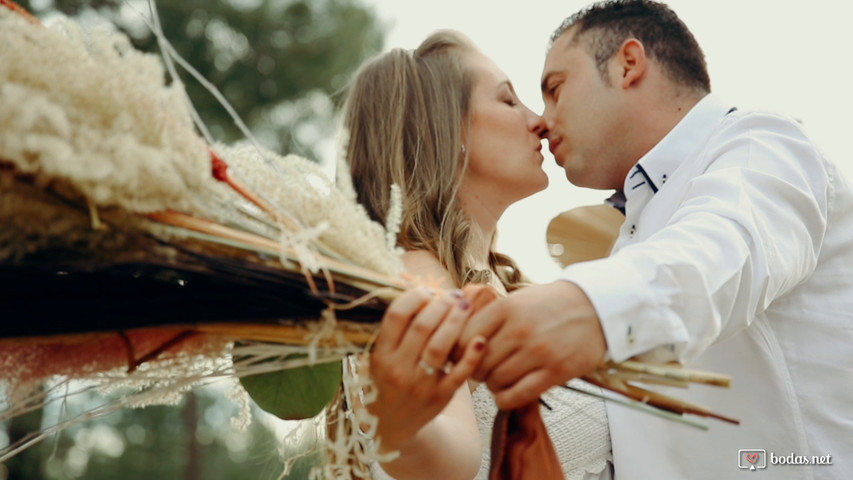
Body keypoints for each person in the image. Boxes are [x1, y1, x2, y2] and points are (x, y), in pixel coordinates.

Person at [458, 0, 853, 478]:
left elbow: (722, 252)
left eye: (556, 89)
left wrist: (587, 308)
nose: (542, 120)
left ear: (628, 64)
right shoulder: (632, 240)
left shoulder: (762, 144)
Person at [341, 30, 613, 480]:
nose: (538, 121)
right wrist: (404, 429)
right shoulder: (417, 284)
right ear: (444, 131)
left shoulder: (496, 281)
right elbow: (450, 456)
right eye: (509, 101)